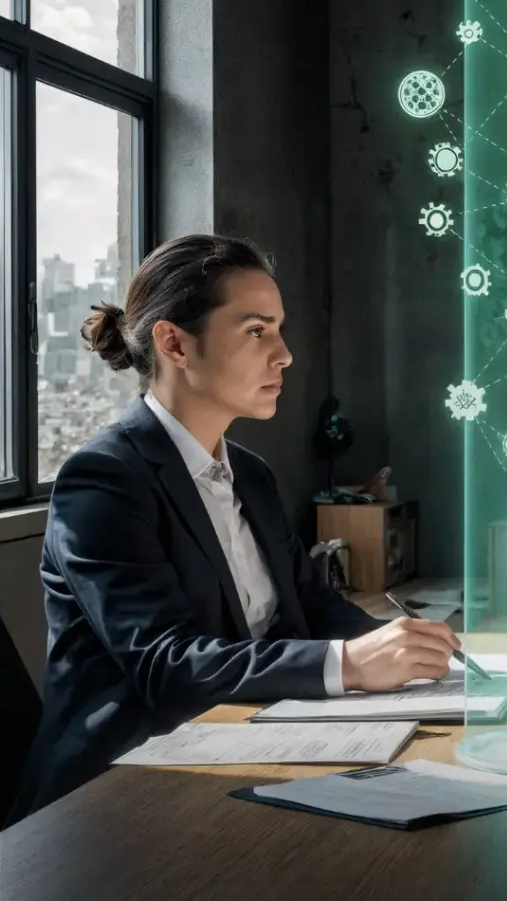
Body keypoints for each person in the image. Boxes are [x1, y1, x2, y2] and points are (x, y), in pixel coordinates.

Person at [6, 234, 461, 826]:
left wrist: (410, 646)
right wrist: (348, 662)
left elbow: (316, 608)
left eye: (279, 329)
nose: (285, 354)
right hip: (120, 792)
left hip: (250, 742)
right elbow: (165, 666)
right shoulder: (105, 480)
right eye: (256, 331)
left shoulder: (251, 474)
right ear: (174, 342)